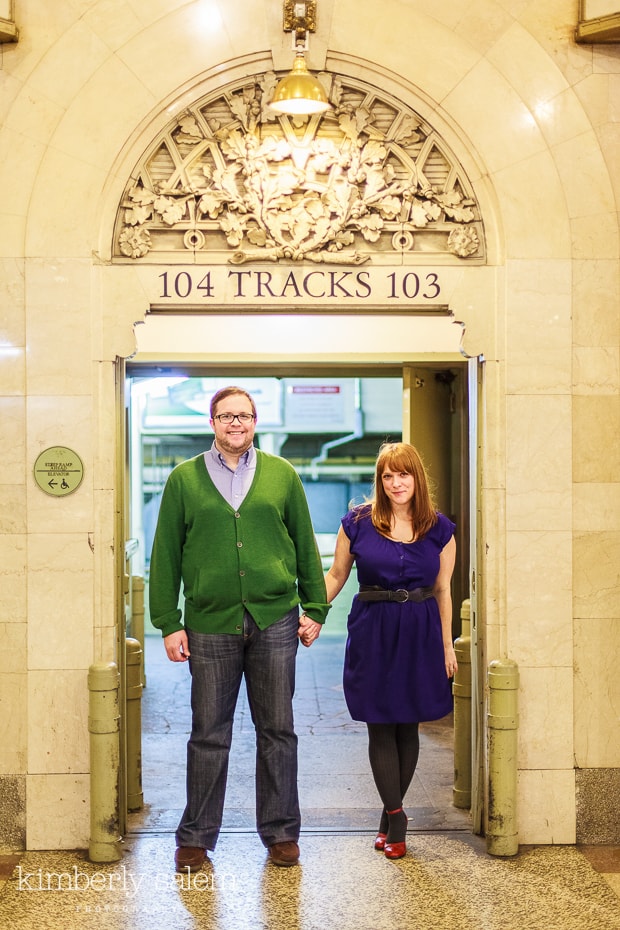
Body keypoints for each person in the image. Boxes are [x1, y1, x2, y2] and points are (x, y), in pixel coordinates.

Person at [148, 386, 329, 872]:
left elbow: (305, 544)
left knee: (278, 731)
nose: (235, 424)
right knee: (208, 733)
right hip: (208, 624)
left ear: (255, 422)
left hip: (274, 619)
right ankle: (196, 837)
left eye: (244, 416)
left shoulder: (282, 475)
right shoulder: (184, 480)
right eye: (226, 416)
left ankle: (281, 833)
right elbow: (165, 552)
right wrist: (167, 622)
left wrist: (316, 606)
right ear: (212, 422)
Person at [323, 441, 457, 860]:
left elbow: (442, 591)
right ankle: (398, 816)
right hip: (373, 630)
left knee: (408, 725)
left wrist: (447, 646)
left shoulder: (439, 528)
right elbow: (336, 575)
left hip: (419, 630)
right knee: (380, 723)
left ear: (417, 477)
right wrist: (309, 612)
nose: (396, 483)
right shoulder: (358, 523)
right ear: (380, 481)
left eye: (403, 474)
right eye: (388, 476)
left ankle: (388, 814)